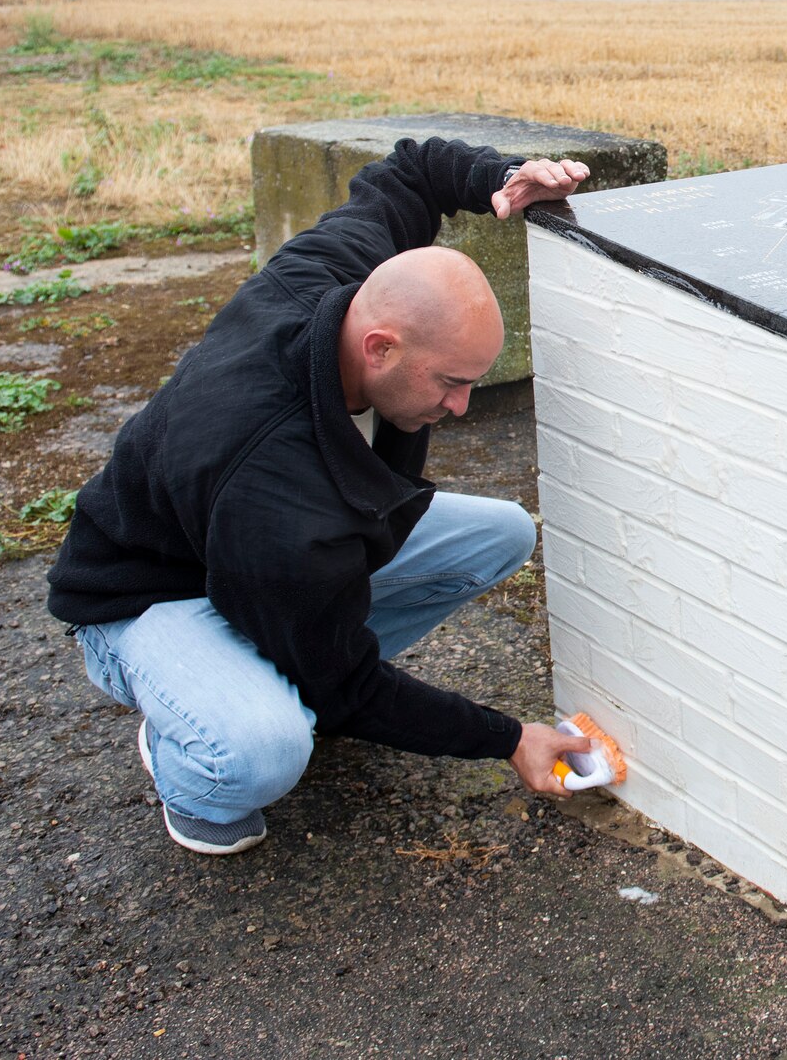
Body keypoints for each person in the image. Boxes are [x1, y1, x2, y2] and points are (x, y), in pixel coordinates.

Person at [47, 138, 592, 854]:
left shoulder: (338, 272)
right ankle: (192, 754)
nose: (462, 407)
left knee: (502, 533)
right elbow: (348, 688)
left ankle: (260, 657)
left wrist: (503, 177)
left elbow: (411, 171)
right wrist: (507, 737)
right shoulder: (274, 486)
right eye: (449, 382)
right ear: (380, 348)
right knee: (263, 749)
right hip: (145, 595)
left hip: (251, 556)